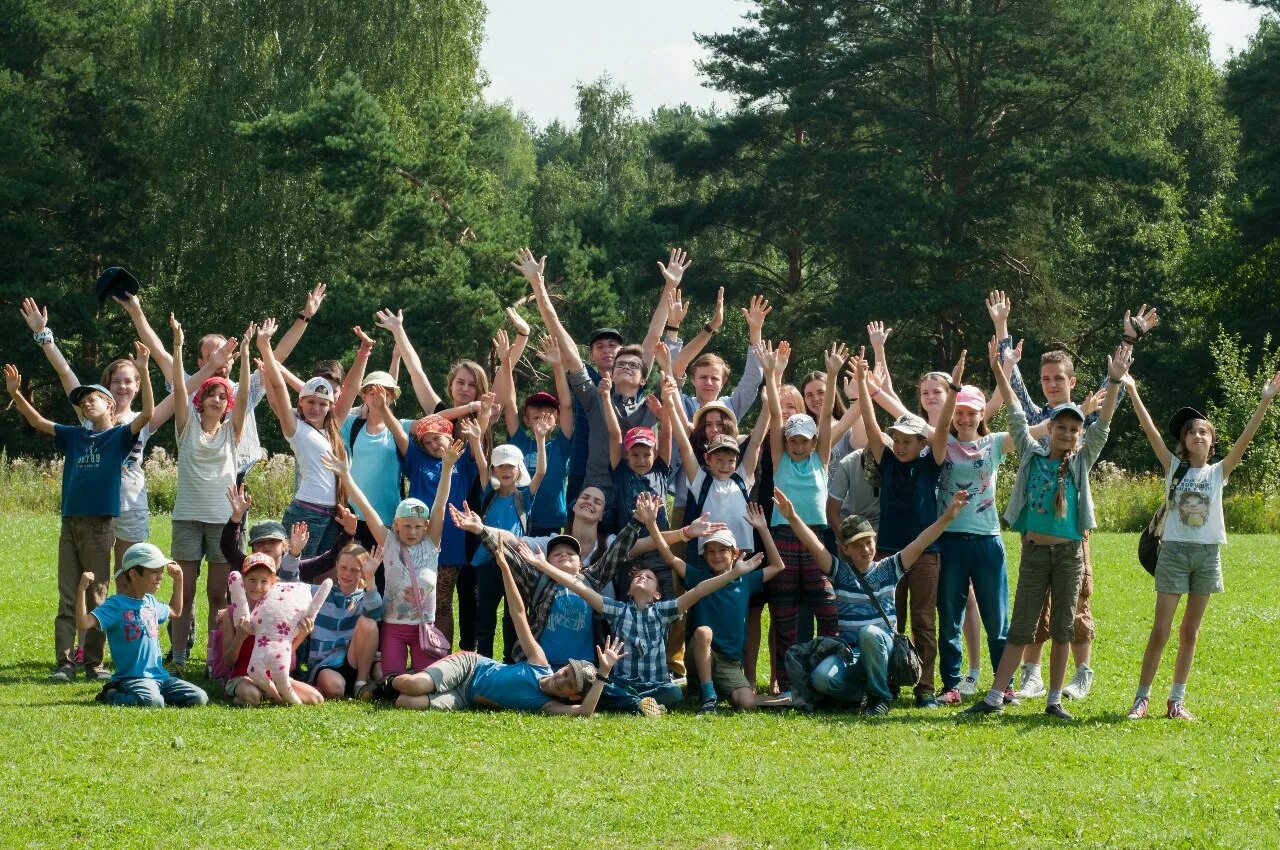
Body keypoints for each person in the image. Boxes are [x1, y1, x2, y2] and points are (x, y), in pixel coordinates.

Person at [990, 290, 1158, 701]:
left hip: (1072, 531)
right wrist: (1001, 327)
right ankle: (1031, 672)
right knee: (1033, 606)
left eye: (1057, 379)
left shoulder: (1083, 420)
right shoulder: (1035, 419)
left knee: (1075, 601)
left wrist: (1130, 339)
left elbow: (1113, 382)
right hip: (1037, 533)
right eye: (1045, 379)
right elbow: (1010, 383)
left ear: (1071, 382)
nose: (1050, 385)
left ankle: (1081, 673)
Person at [964, 339, 1131, 720]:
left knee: (1062, 628)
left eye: (1074, 428)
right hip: (1036, 552)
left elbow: (1102, 423)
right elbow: (1014, 412)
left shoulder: (1081, 461)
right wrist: (999, 371)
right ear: (1051, 428)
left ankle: (1054, 699)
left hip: (1070, 553)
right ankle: (993, 696)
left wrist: (1116, 382)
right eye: (1062, 426)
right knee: (1021, 625)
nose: (1068, 432)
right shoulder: (1030, 453)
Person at [1122, 369, 1280, 720]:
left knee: (1189, 631)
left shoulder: (1219, 472)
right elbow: (1149, 430)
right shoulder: (1173, 467)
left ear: (1212, 442)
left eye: (1204, 431)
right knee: (1160, 629)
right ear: (1183, 440)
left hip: (1208, 556)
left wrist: (1265, 399)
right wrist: (1132, 388)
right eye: (1191, 431)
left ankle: (1176, 701)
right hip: (1174, 552)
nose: (1197, 435)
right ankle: (1141, 698)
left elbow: (1246, 437)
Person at [5, 344, 154, 682]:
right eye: (83, 401)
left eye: (93, 399)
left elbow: (146, 416)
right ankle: (64, 662)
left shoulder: (118, 437)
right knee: (69, 593)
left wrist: (143, 369)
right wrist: (16, 394)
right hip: (70, 524)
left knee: (97, 594)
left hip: (101, 527)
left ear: (110, 405)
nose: (87, 403)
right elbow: (38, 421)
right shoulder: (74, 436)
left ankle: (94, 663)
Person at [362, 543, 627, 715]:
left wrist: (604, 672)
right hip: (469, 666)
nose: (561, 678)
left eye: (568, 684)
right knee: (415, 684)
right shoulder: (539, 662)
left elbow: (584, 713)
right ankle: (379, 685)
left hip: (464, 696)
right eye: (567, 672)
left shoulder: (547, 705)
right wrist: (504, 568)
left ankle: (402, 688)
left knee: (407, 703)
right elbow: (519, 612)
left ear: (572, 696)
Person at [775, 489, 969, 715]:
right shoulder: (841, 573)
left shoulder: (889, 568)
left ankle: (880, 697)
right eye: (857, 545)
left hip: (883, 649)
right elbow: (815, 546)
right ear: (845, 549)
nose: (866, 549)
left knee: (869, 632)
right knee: (821, 680)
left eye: (868, 542)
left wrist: (948, 517)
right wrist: (792, 517)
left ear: (875, 539)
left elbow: (920, 542)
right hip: (851, 653)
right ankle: (863, 693)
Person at [852, 347, 960, 707]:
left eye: (906, 441)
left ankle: (925, 688)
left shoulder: (933, 462)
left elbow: (943, 427)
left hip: (927, 555)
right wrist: (865, 389)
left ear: (921, 443)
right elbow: (870, 426)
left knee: (924, 622)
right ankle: (891, 683)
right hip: (887, 556)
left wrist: (955, 388)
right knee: (887, 622)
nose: (899, 446)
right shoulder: (886, 462)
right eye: (896, 440)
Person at [325, 443, 460, 675]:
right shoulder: (389, 542)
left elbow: (440, 503)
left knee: (423, 681)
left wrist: (447, 467)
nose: (412, 531)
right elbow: (367, 509)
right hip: (393, 628)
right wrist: (346, 475)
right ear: (396, 525)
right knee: (392, 680)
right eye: (406, 525)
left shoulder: (431, 542)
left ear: (426, 527)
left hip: (423, 628)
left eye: (418, 527)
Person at [167, 317, 252, 674]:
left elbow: (245, 394)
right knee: (182, 594)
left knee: (218, 595)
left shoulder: (232, 432)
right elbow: (180, 389)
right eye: (211, 395)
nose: (218, 399)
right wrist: (177, 346)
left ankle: (214, 659)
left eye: (223, 395)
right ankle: (179, 657)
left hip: (222, 521)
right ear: (201, 401)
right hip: (187, 518)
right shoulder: (185, 427)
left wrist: (245, 354)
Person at [760, 340, 845, 693]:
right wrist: (770, 373)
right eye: (792, 440)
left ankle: (825, 673)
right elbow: (777, 417)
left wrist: (833, 373)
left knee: (827, 608)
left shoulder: (819, 460)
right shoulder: (780, 460)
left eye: (804, 441)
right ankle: (786, 680)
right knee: (784, 615)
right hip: (782, 539)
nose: (798, 446)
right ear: (785, 440)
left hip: (815, 539)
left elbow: (825, 417)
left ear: (813, 442)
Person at [652, 504, 785, 712]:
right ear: (704, 556)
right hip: (699, 654)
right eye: (711, 551)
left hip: (729, 662)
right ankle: (708, 696)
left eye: (723, 550)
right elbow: (669, 557)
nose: (716, 556)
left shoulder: (745, 580)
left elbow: (778, 566)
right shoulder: (697, 577)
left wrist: (763, 529)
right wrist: (652, 524)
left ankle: (716, 688)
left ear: (735, 553)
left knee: (747, 703)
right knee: (704, 632)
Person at [932, 383, 1014, 706]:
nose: (964, 419)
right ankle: (951, 684)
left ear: (982, 415)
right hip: (950, 540)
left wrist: (1083, 411)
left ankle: (1003, 684)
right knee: (949, 615)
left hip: (987, 540)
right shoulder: (942, 442)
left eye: (971, 413)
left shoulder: (994, 444)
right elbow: (903, 412)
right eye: (959, 413)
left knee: (997, 617)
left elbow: (1031, 429)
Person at [257, 323, 349, 557]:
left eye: (322, 404)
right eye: (310, 402)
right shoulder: (295, 427)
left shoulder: (331, 431)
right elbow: (278, 387)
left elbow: (351, 388)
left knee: (322, 573)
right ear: (300, 403)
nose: (315, 408)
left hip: (332, 513)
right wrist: (265, 348)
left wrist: (364, 352)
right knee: (296, 572)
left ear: (330, 407)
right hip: (307, 511)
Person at [78, 543, 208, 708]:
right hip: (132, 678)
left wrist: (179, 580)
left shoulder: (151, 602)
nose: (160, 577)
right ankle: (111, 694)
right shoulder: (116, 605)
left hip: (161, 677)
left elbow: (175, 611)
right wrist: (82, 589)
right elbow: (83, 622)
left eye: (161, 571)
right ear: (133, 574)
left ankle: (154, 693)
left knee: (199, 697)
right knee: (153, 702)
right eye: (154, 572)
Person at [471, 435, 548, 661]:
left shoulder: (524, 497)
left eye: (510, 466)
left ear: (518, 469)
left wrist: (541, 439)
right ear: (494, 470)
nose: (505, 470)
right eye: (500, 466)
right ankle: (482, 661)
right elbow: (481, 465)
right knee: (485, 613)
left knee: (512, 615)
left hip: (515, 564)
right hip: (487, 561)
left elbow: (541, 472)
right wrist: (477, 439)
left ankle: (509, 661)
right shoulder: (488, 494)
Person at [494, 326, 575, 535]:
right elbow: (510, 404)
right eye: (536, 417)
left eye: (548, 416)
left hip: (551, 522)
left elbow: (566, 405)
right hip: (518, 519)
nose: (541, 421)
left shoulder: (561, 445)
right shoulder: (519, 443)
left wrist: (557, 366)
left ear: (556, 420)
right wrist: (506, 363)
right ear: (527, 420)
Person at [215, 553, 324, 706]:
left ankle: (270, 693)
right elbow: (228, 660)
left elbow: (285, 652)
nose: (257, 586)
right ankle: (257, 696)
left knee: (315, 698)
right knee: (252, 695)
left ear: (273, 583)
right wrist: (240, 637)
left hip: (274, 676)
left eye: (264, 581)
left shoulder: (280, 614)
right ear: (243, 582)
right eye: (252, 580)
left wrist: (303, 634)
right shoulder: (231, 614)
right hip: (242, 677)